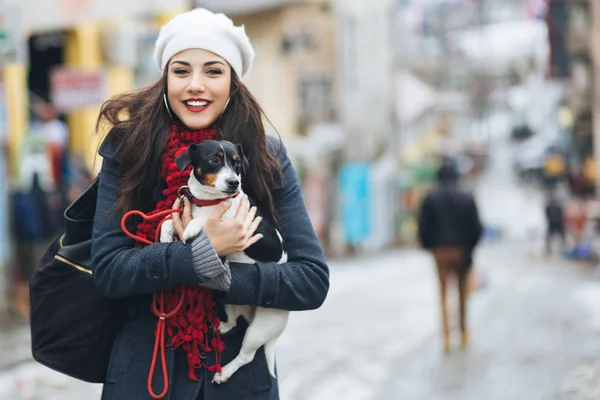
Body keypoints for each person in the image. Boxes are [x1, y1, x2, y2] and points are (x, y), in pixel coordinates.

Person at [91, 8, 329, 400]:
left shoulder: (265, 156)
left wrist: (223, 277)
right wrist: (202, 252)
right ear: (165, 79)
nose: (195, 85)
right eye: (181, 71)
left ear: (233, 82)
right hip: (147, 381)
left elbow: (311, 281)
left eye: (213, 71)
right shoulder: (129, 150)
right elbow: (109, 271)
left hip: (240, 384)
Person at [417, 160, 483, 352]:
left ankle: (446, 336)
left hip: (440, 252)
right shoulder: (466, 196)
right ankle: (463, 332)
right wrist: (470, 248)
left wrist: (429, 246)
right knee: (462, 293)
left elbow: (423, 225)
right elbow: (476, 227)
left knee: (443, 293)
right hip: (461, 250)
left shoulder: (431, 197)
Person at [544, 191, 566, 256]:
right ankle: (548, 249)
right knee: (548, 237)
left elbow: (561, 216)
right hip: (552, 224)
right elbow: (547, 216)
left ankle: (563, 247)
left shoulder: (558, 208)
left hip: (558, 224)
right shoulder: (548, 208)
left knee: (562, 236)